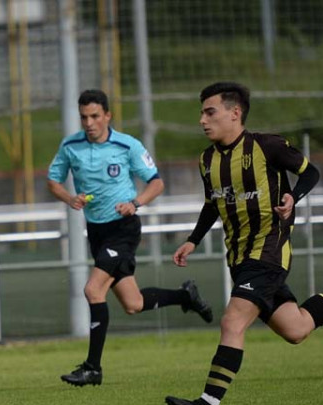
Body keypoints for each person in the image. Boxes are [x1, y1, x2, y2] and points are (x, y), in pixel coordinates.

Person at [164, 82, 323, 405]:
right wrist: (193, 240)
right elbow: (213, 203)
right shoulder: (207, 160)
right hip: (239, 257)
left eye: (210, 112)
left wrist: (293, 198)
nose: (202, 120)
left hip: (267, 252)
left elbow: (310, 172)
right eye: (202, 113)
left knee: (232, 322)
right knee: (295, 329)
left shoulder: (267, 146)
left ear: (234, 113)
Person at [47, 89, 213, 387]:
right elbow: (53, 180)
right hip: (96, 230)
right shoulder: (71, 146)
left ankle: (92, 368)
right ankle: (185, 295)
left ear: (108, 116)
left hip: (123, 228)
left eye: (95, 116)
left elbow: (156, 183)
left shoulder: (127, 145)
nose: (89, 122)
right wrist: (69, 198)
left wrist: (135, 203)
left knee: (93, 290)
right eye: (84, 117)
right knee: (133, 303)